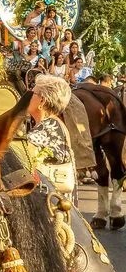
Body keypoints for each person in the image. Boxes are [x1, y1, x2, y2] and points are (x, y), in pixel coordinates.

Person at [25, 74, 77, 205]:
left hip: (47, 202)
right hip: (59, 201)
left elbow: (22, 159)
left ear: (42, 101)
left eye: (33, 93)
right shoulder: (57, 124)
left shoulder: (46, 128)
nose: (29, 96)